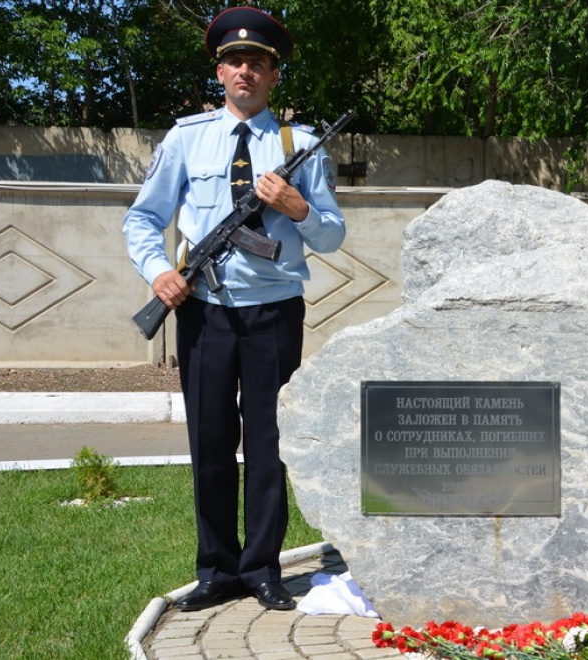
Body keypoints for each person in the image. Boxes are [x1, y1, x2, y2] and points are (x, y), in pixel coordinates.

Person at [122, 6, 346, 611]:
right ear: (219, 72)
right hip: (205, 312)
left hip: (274, 311)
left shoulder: (299, 145)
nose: (245, 70)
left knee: (269, 444)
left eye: (258, 62)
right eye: (235, 60)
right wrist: (160, 272)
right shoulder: (186, 138)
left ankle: (263, 569)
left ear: (274, 76)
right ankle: (217, 569)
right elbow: (143, 219)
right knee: (212, 441)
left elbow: (331, 235)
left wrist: (298, 207)